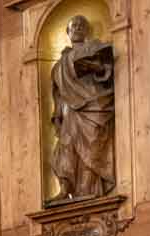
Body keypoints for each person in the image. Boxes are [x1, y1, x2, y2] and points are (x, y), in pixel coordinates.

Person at [49, 14, 115, 204]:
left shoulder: (94, 48)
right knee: (66, 148)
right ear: (68, 32)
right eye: (73, 25)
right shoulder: (60, 64)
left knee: (91, 147)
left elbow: (107, 73)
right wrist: (58, 115)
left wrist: (97, 67)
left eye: (81, 25)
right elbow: (58, 94)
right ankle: (65, 189)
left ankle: (86, 190)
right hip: (70, 111)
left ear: (87, 30)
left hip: (94, 106)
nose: (77, 27)